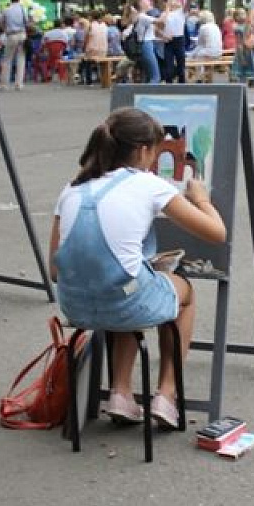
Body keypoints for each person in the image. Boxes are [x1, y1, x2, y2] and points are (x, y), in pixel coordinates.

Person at [49, 108, 226, 428]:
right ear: (144, 150)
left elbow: (54, 269)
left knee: (129, 281)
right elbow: (216, 233)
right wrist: (200, 198)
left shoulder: (73, 187)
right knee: (183, 294)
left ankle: (120, 392)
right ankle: (166, 395)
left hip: (75, 306)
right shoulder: (149, 184)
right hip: (125, 300)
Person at [0, 0, 29, 90]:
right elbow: (26, 22)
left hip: (11, 35)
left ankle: (4, 84)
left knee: (7, 59)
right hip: (22, 34)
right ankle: (19, 84)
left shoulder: (6, 10)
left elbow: (1, 22)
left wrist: (5, 30)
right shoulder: (23, 9)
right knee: (21, 59)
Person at [161, 0, 188, 84]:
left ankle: (182, 85)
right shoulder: (165, 13)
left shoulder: (181, 12)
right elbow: (161, 24)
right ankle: (169, 85)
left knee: (181, 66)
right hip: (168, 41)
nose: (173, 2)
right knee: (168, 67)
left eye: (176, 0)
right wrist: (167, 9)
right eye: (172, 0)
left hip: (179, 39)